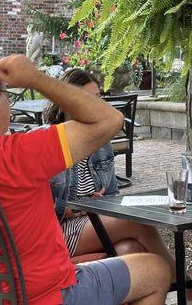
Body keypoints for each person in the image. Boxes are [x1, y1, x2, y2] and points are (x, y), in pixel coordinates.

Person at [0, 55, 171, 305]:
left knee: (125, 255)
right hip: (46, 296)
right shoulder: (21, 153)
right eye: (6, 95)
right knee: (155, 270)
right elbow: (110, 119)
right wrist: (35, 79)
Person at [45, 68, 176, 268]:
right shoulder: (47, 143)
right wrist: (77, 207)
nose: (96, 105)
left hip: (94, 222)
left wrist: (102, 202)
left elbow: (114, 196)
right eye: (86, 98)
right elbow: (35, 208)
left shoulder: (100, 142)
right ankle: (187, 291)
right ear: (65, 102)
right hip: (57, 231)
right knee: (137, 222)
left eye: (98, 98)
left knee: (130, 250)